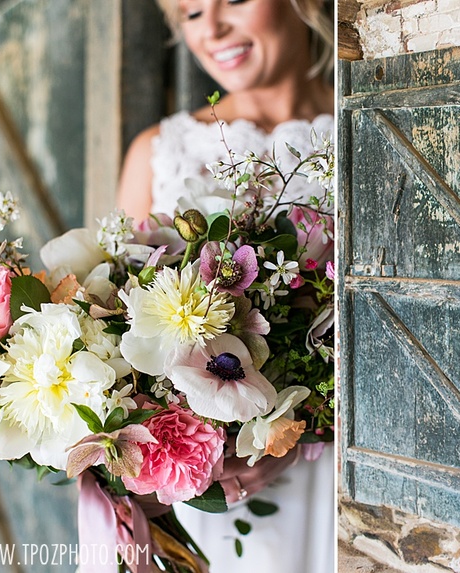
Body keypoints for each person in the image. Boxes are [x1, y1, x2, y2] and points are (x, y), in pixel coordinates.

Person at [116, 1, 334, 572]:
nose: (211, 29)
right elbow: (118, 325)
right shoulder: (159, 153)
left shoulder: (371, 129)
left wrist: (300, 429)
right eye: (190, 12)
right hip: (207, 486)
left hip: (340, 475)